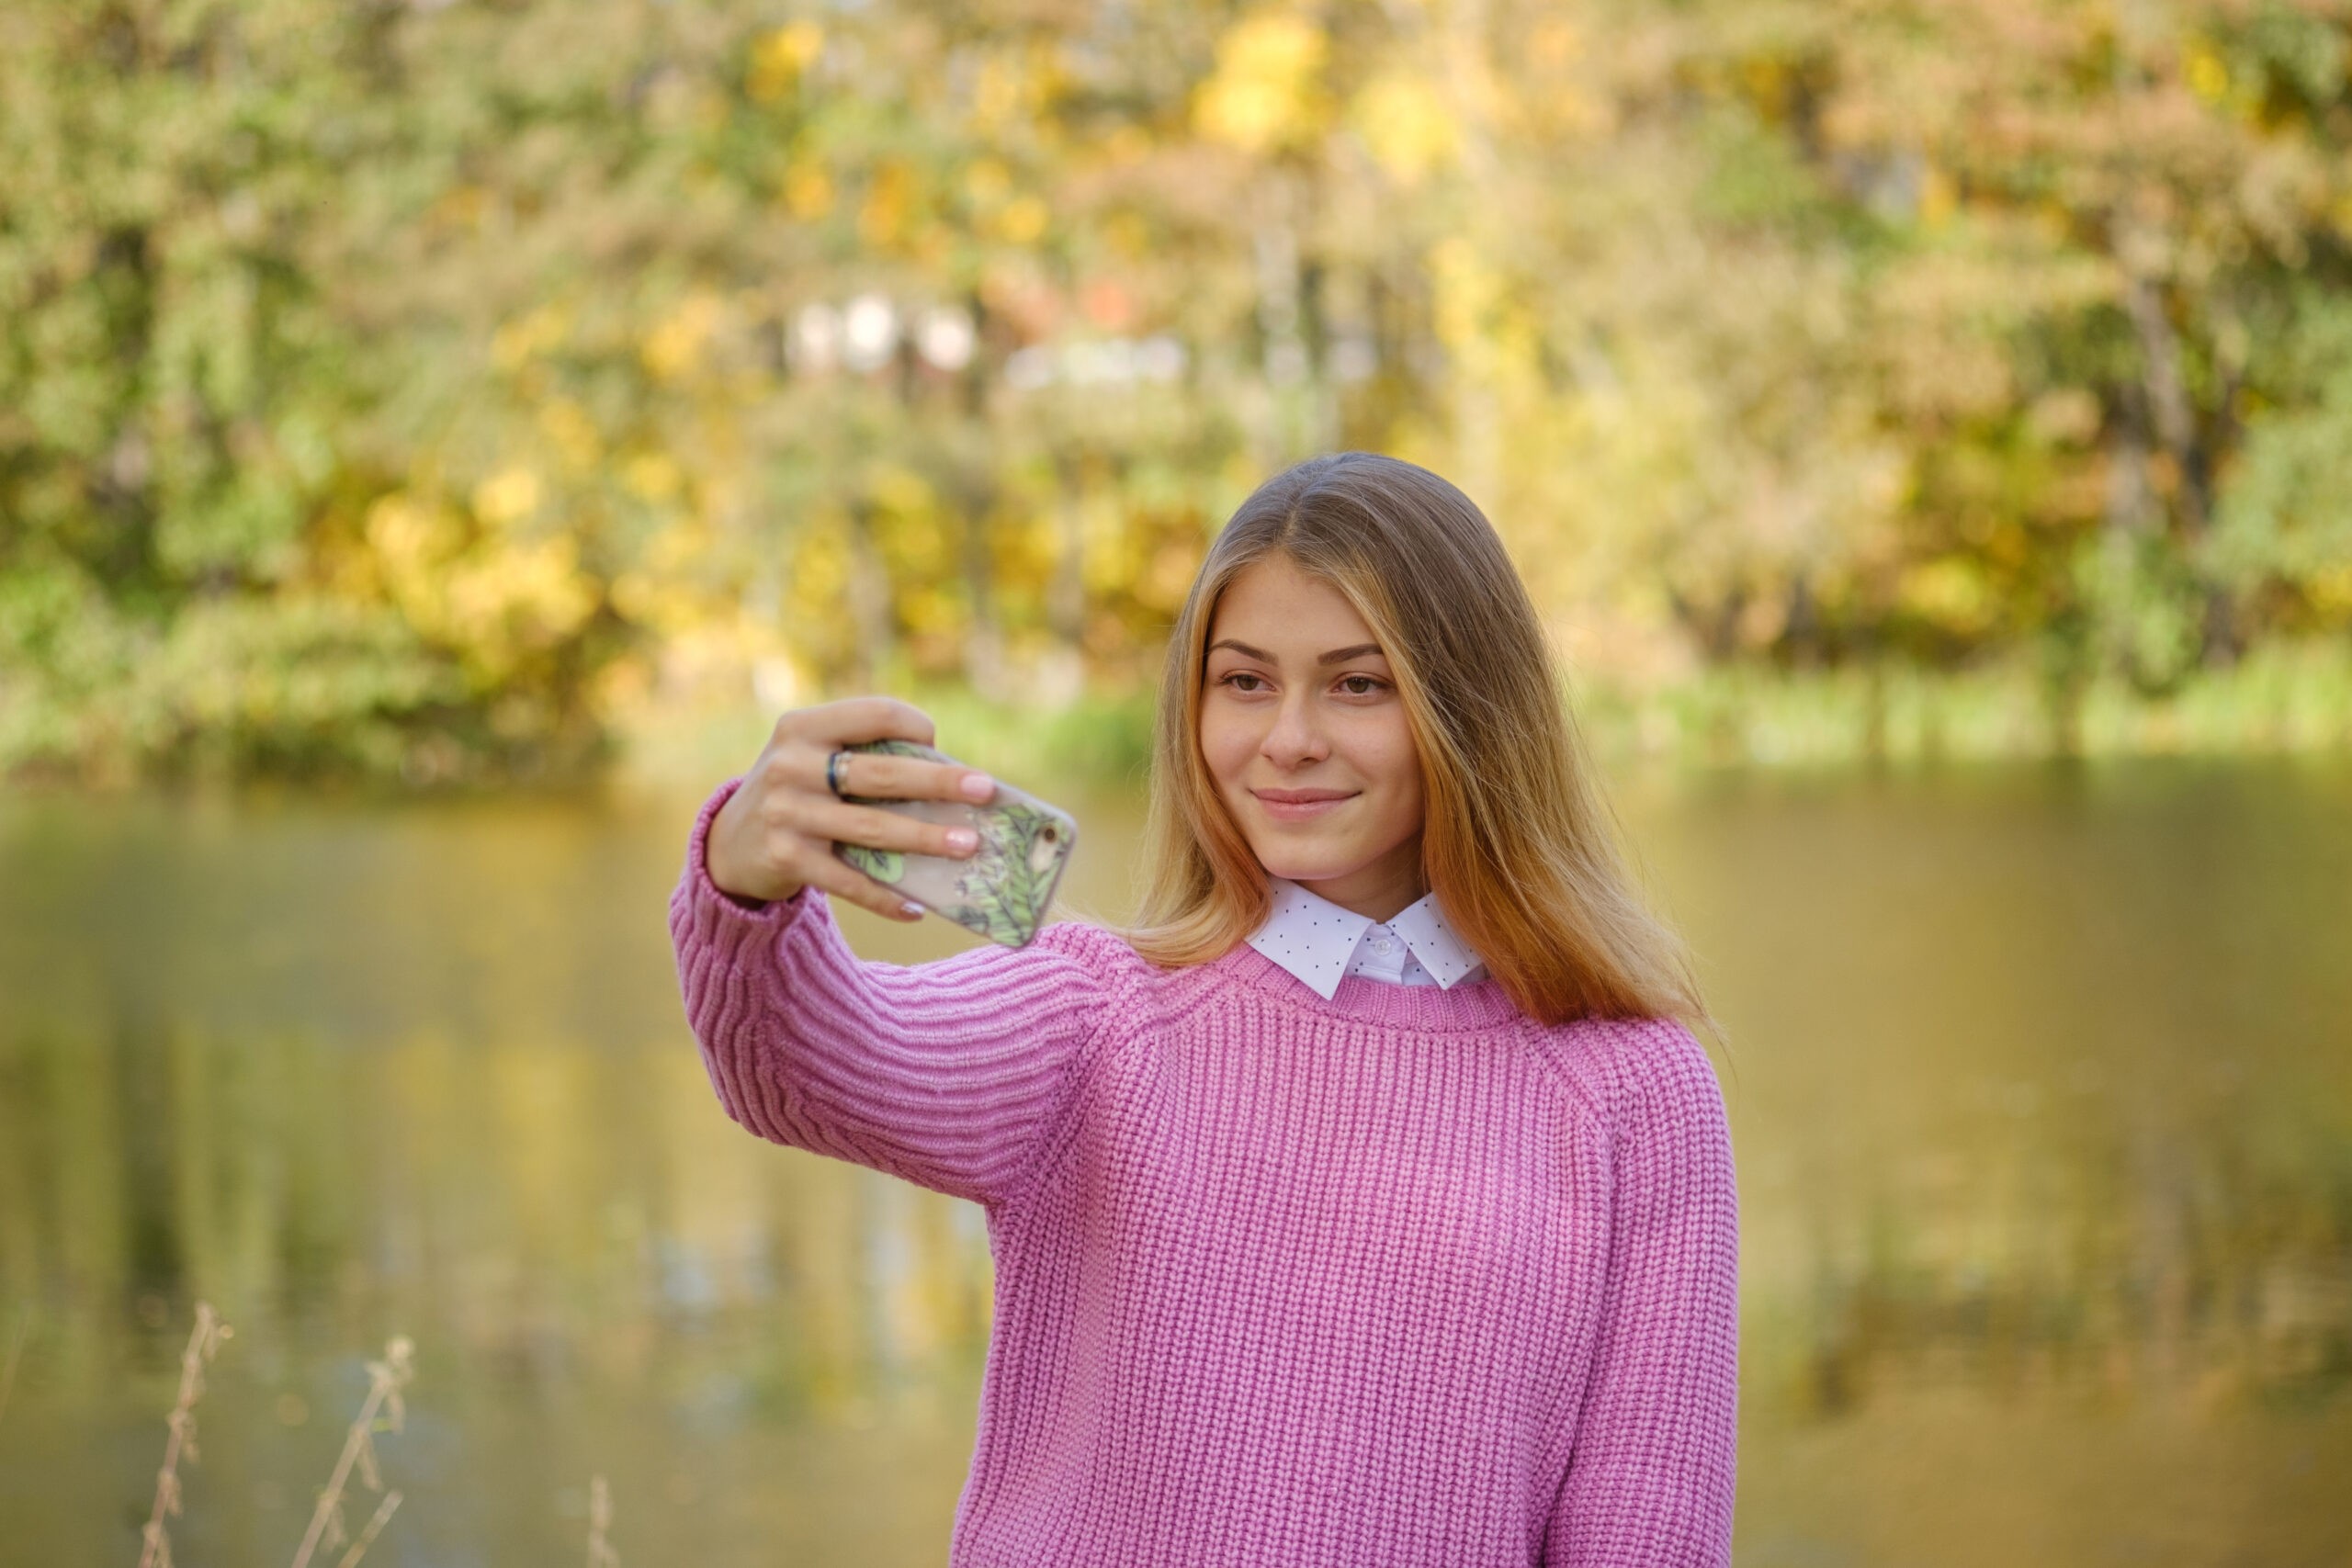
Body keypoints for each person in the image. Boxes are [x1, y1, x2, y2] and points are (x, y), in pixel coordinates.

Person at [673, 452, 1737, 1567]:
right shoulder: (1102, 1015)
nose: (1288, 738)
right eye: (1244, 681)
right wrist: (748, 886)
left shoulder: (1634, 1089)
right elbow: (806, 1065)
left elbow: (1645, 1523)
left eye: (1357, 683)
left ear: (1470, 710)